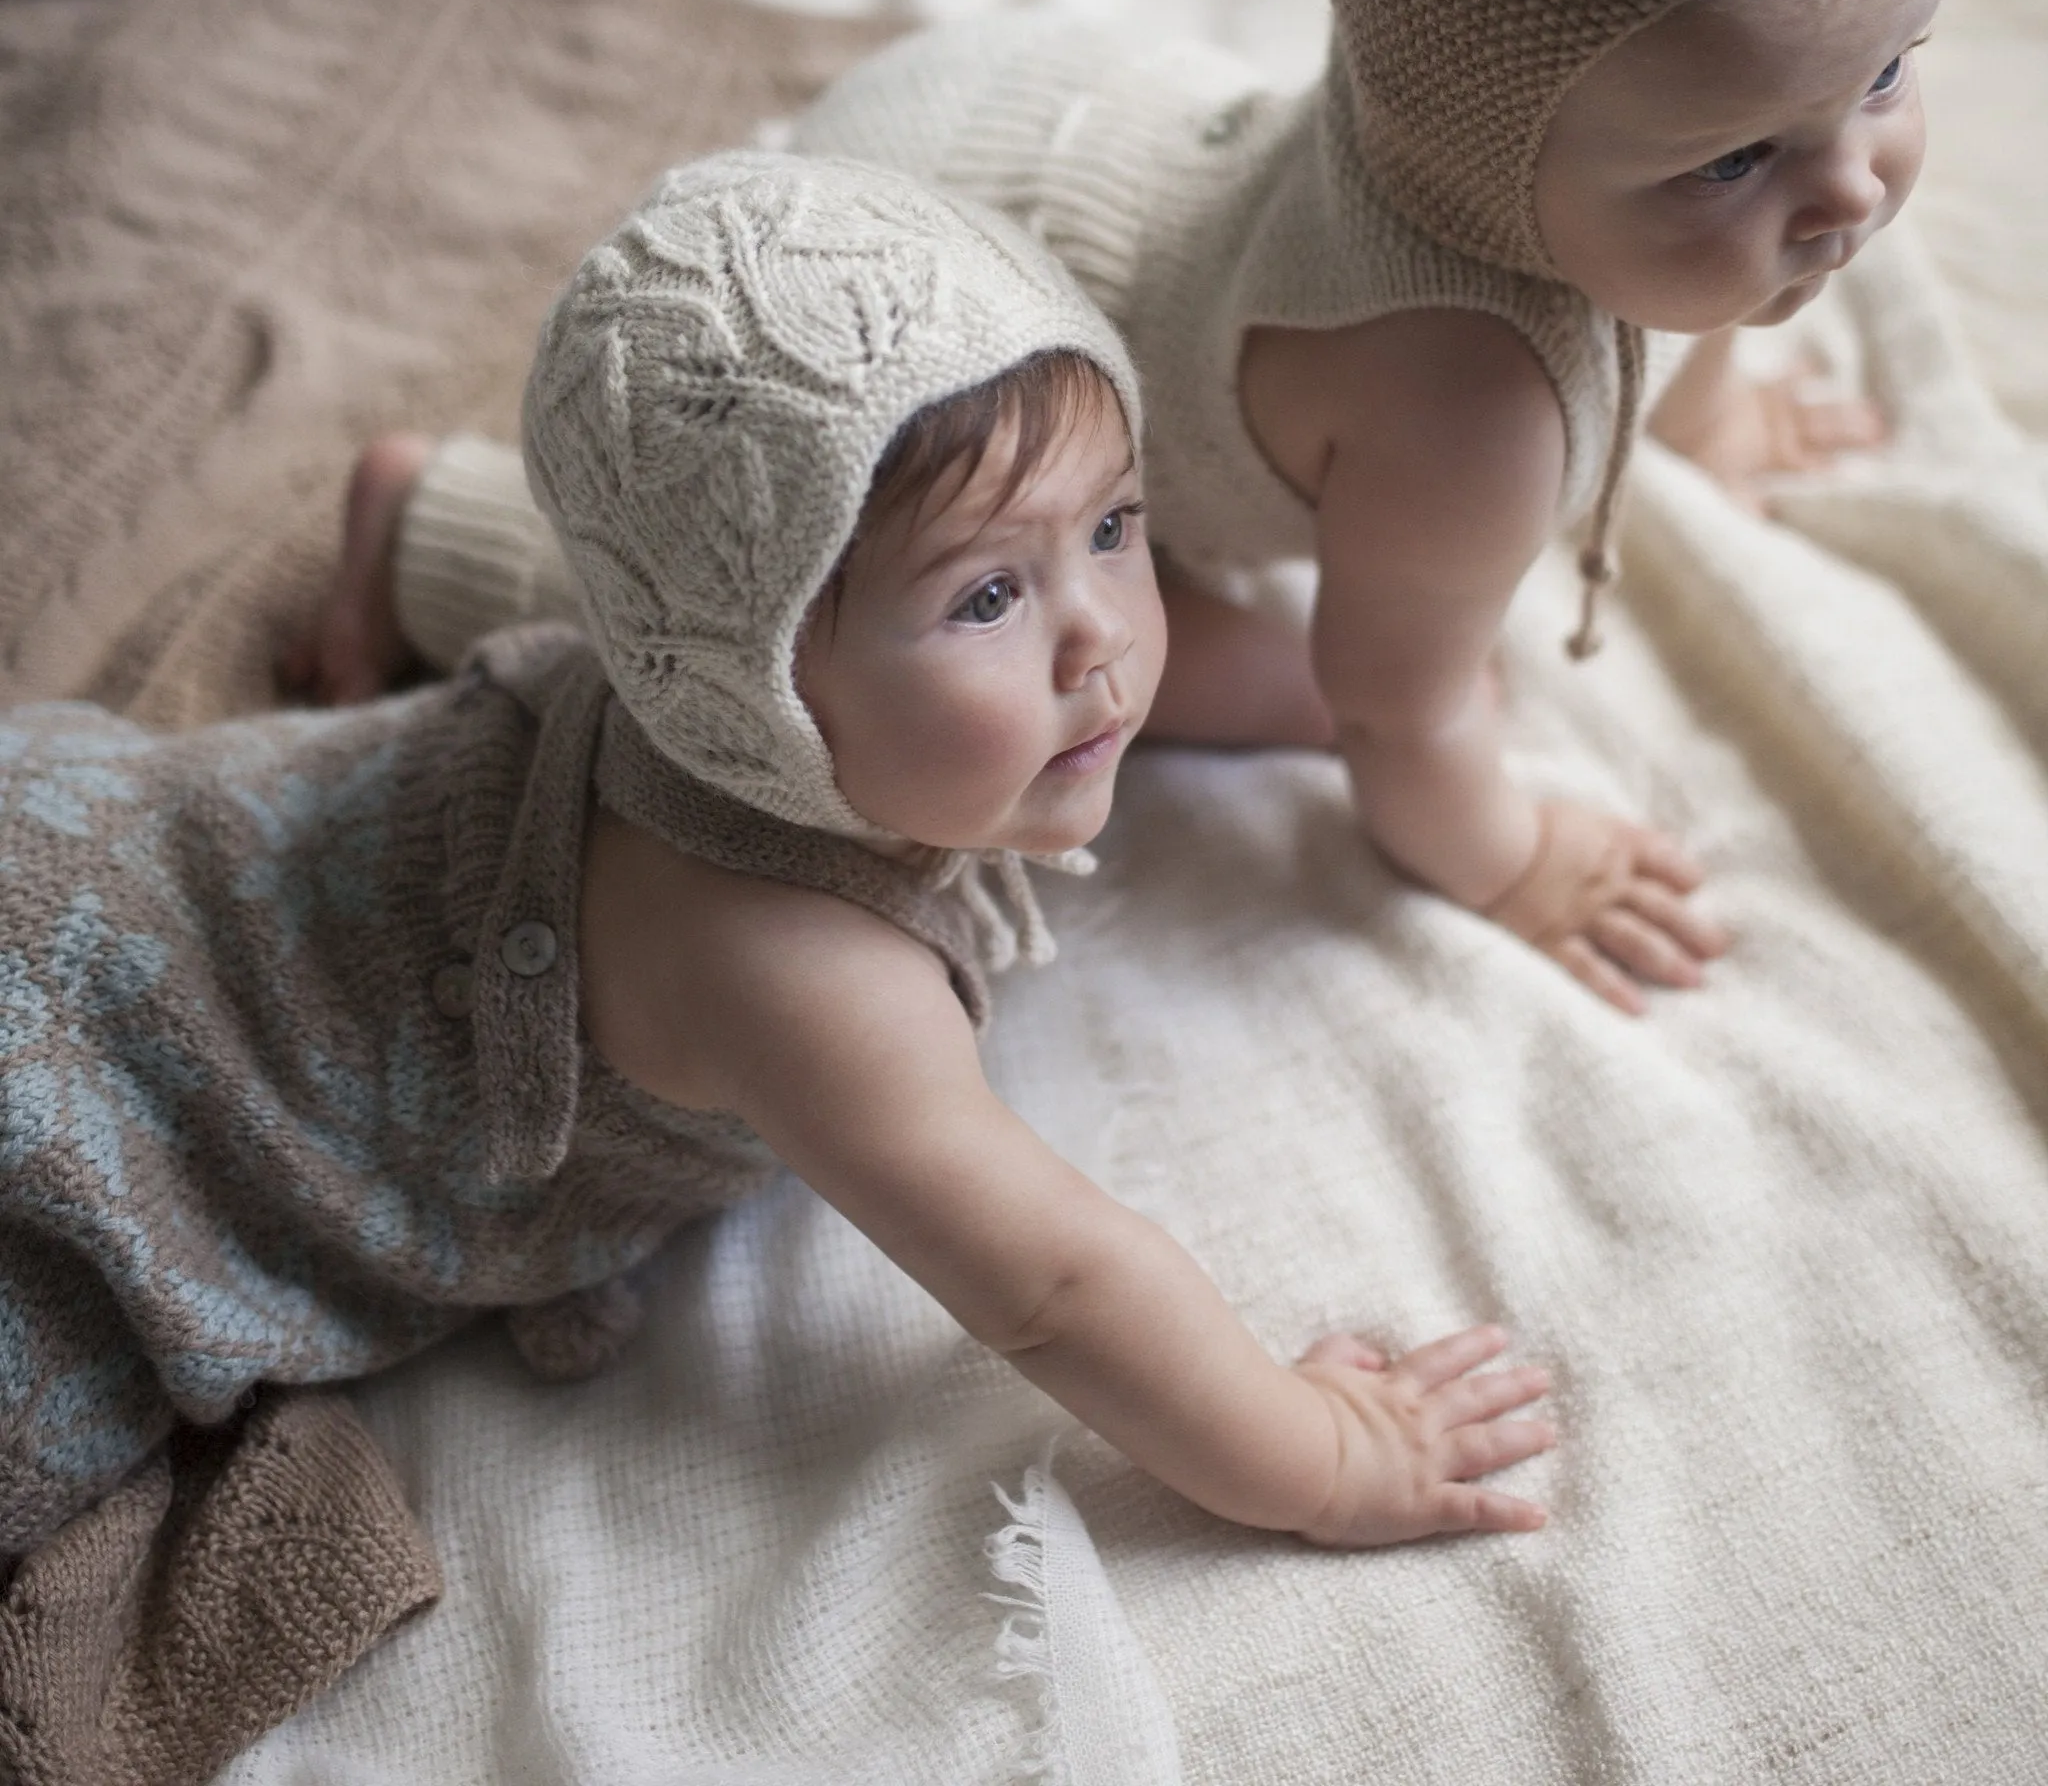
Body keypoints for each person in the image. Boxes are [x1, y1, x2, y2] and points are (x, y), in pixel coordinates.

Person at [0, 154, 1553, 1560]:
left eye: (1117, 524)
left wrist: (1354, 702)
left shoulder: (785, 682)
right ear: (753, 671)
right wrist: (1331, 1459)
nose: (1101, 644)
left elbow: (1146, 658)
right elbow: (1058, 1283)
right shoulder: (790, 960)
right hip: (121, 1079)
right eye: (986, 600)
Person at [294, 0, 1957, 1019]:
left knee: (1224, 651)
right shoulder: (1473, 408)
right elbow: (1406, 706)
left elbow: (1671, 294)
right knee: (816, 636)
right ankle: (427, 522)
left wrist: (1719, 406)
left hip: (1028, 99)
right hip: (943, 285)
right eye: (1740, 160)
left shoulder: (1553, 190)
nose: (1855, 189)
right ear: (1475, 124)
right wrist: (1513, 857)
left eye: (1888, 76)